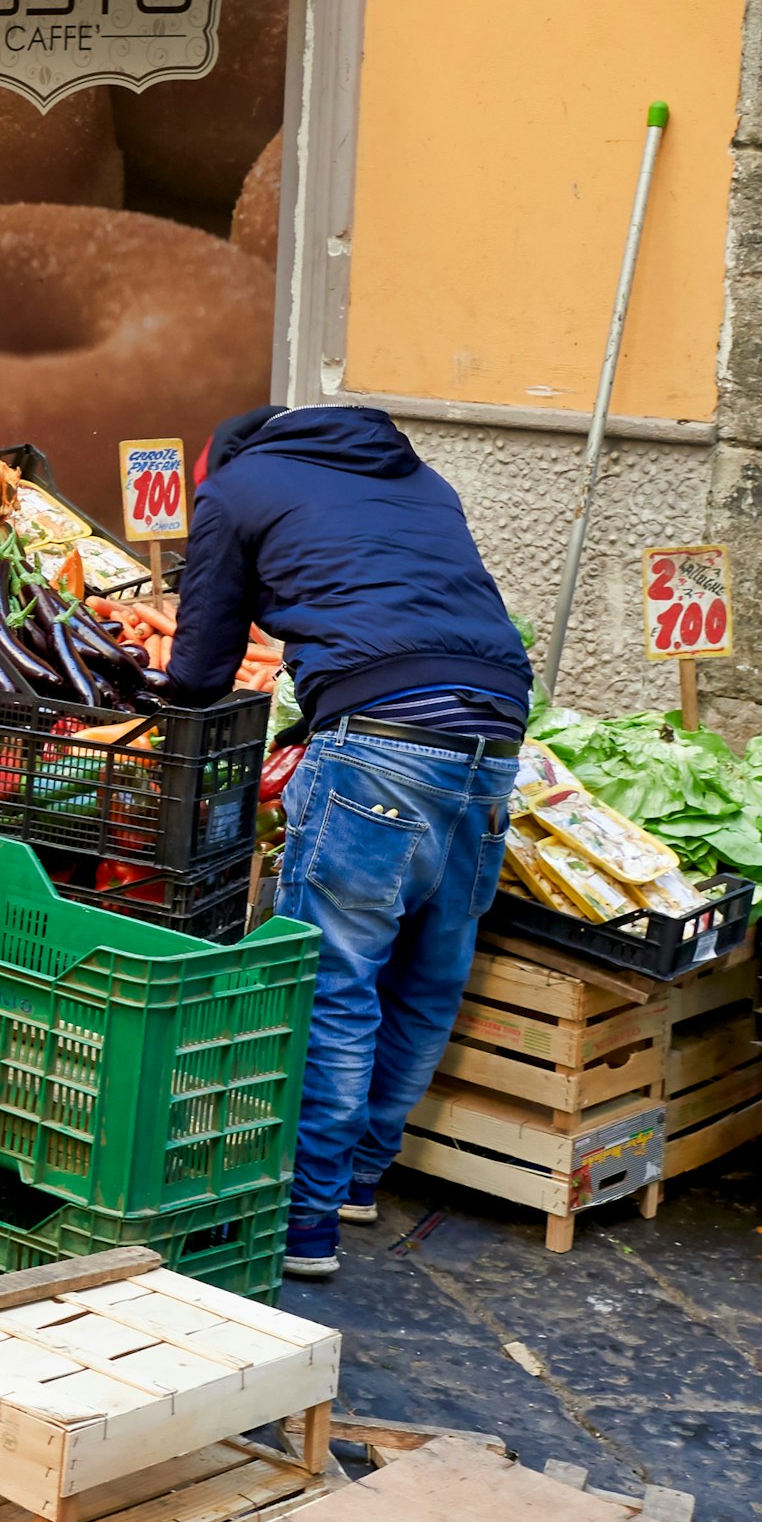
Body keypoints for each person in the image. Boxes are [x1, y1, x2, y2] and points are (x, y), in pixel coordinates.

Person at [162, 404, 533, 1281]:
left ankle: (305, 1219)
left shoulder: (236, 488)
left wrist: (173, 700)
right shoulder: (419, 479)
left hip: (380, 737)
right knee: (430, 971)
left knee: (336, 977)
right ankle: (361, 1179)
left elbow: (203, 664)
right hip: (496, 730)